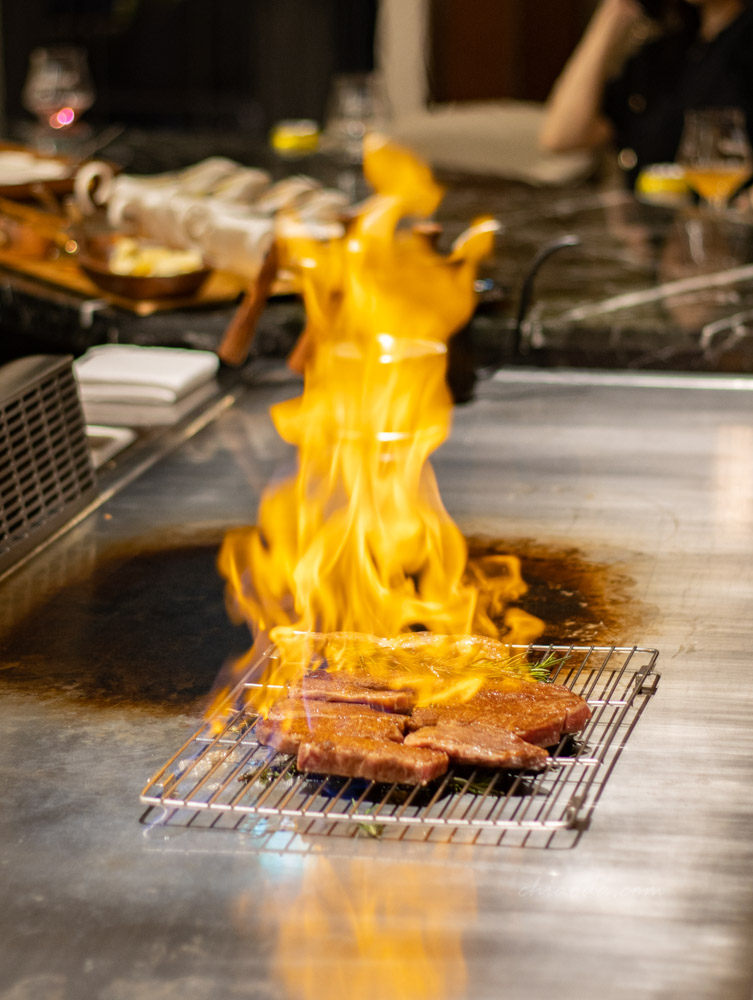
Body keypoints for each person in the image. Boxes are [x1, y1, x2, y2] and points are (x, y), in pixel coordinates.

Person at [539, 0, 753, 187]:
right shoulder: (664, 55)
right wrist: (616, 11)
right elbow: (562, 136)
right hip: (654, 217)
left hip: (728, 217)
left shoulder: (743, 40)